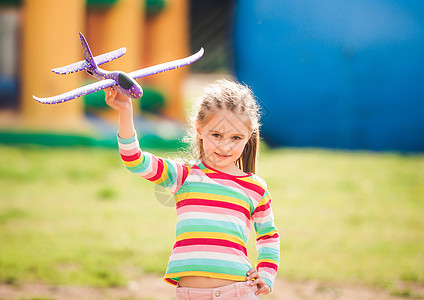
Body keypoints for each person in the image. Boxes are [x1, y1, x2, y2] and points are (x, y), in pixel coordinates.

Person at [105, 79, 280, 299]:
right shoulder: (183, 175)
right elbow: (134, 160)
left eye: (236, 138)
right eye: (216, 135)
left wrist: (267, 275)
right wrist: (125, 111)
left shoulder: (256, 188)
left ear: (249, 137)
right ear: (199, 129)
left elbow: (268, 236)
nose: (225, 146)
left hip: (238, 292)